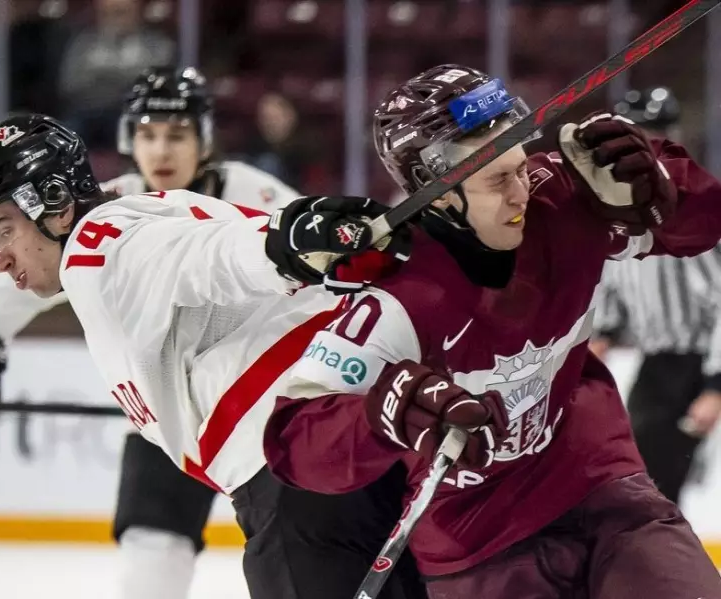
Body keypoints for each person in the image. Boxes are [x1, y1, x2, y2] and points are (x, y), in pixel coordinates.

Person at [0, 100, 425, 599]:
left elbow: (204, 257)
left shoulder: (97, 248)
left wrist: (283, 244)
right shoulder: (127, 217)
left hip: (295, 476)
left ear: (54, 202)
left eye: (2, 231)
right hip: (333, 448)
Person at [262, 64, 721, 598]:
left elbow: (702, 226)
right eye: (496, 180)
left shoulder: (565, 201)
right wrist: (382, 414)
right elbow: (295, 443)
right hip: (478, 545)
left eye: (520, 167)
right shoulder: (398, 296)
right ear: (436, 192)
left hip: (602, 492)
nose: (520, 192)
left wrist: (660, 188)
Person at [589, 86, 721, 505]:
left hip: (694, 365)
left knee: (656, 487)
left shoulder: (689, 210)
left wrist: (716, 386)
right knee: (639, 478)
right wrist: (605, 332)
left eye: (653, 134)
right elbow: (615, 283)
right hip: (658, 363)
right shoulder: (617, 208)